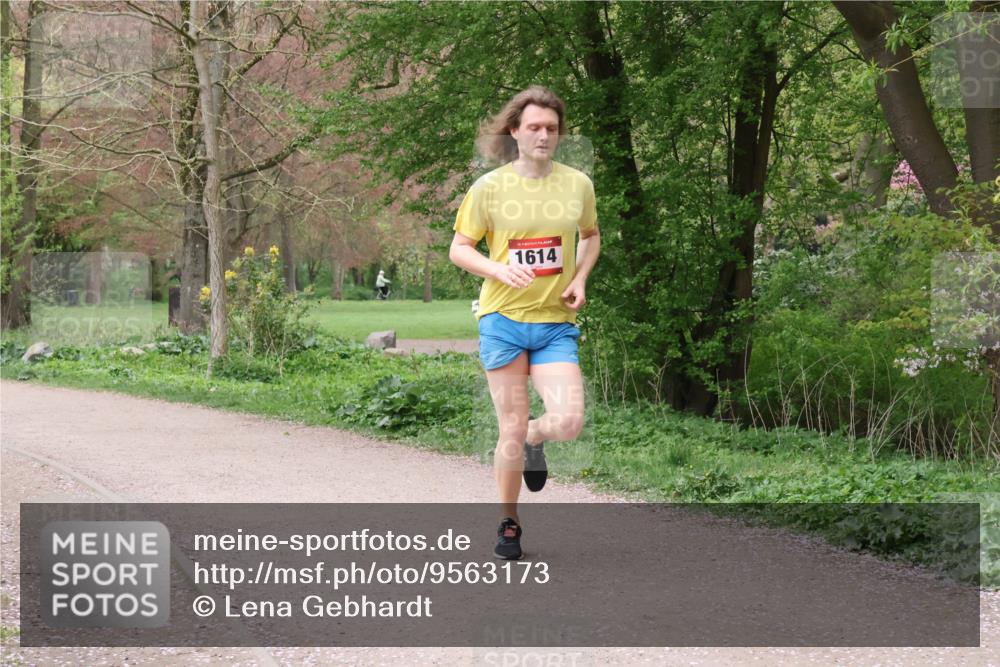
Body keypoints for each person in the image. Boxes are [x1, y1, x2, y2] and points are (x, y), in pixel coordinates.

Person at [449, 86, 601, 560]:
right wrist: (497, 269)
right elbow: (459, 248)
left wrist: (579, 277)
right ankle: (509, 522)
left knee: (569, 422)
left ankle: (539, 437)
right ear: (514, 131)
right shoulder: (489, 188)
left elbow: (591, 237)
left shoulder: (577, 183)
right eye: (533, 126)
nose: (543, 135)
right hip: (503, 321)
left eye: (551, 128)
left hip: (555, 322)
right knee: (509, 429)